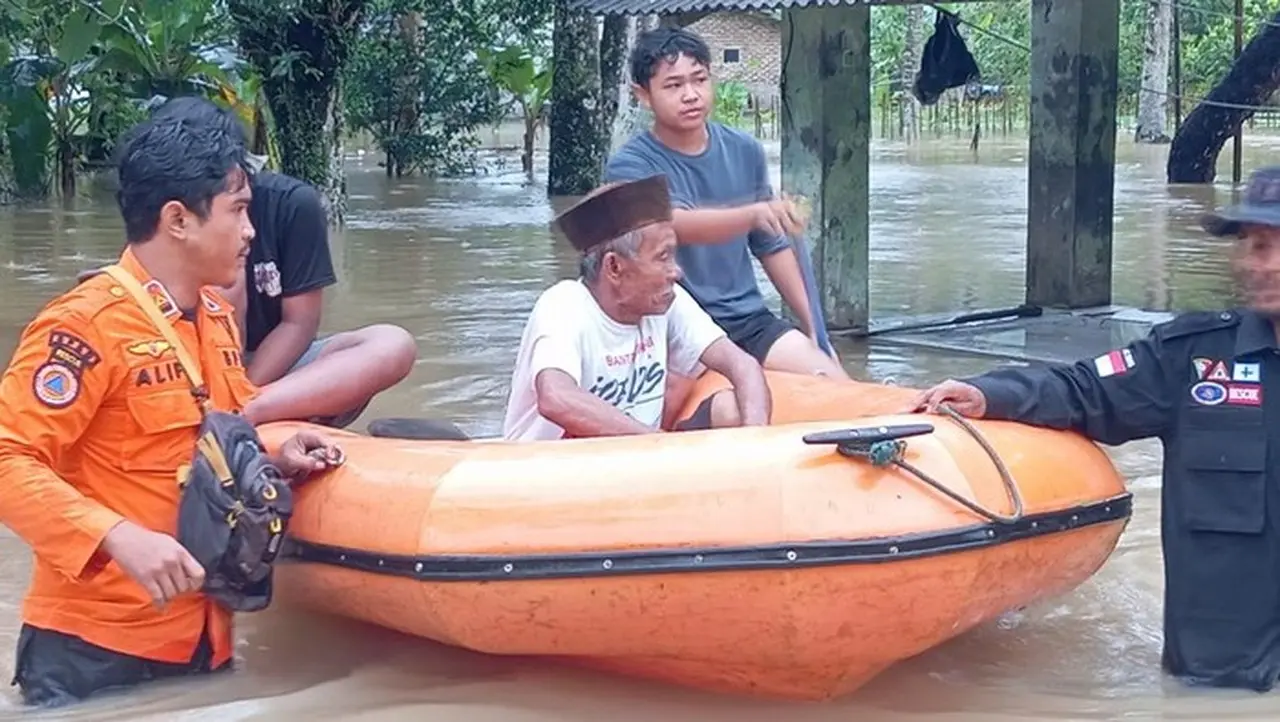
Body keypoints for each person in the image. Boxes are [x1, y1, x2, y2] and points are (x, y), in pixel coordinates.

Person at [0, 105, 342, 708]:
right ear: (178, 219)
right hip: (91, 655)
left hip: (203, 642)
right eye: (238, 211)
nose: (251, 232)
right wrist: (117, 536)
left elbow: (206, 445)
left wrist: (275, 456)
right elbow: (8, 459)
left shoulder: (212, 320)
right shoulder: (84, 326)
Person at [909, 165, 1280, 693]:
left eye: (1271, 246)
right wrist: (992, 394)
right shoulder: (1191, 360)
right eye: (1250, 245)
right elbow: (1084, 389)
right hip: (1218, 679)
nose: (1254, 263)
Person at [149, 96, 418, 429]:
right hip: (185, 367)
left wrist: (243, 393)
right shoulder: (163, 211)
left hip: (271, 373)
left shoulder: (292, 204)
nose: (245, 228)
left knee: (391, 344)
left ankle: (240, 415)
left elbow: (299, 323)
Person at [603, 26, 848, 380]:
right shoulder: (629, 166)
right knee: (729, 402)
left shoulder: (744, 149)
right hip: (673, 323)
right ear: (643, 95)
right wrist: (754, 214)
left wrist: (815, 332)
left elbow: (772, 246)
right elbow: (671, 224)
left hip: (747, 319)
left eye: (699, 80)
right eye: (673, 86)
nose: (690, 95)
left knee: (832, 379)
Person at [502, 174, 772, 441]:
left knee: (731, 409)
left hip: (640, 458)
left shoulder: (667, 301)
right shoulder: (564, 306)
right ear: (614, 268)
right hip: (554, 469)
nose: (676, 272)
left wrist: (756, 440)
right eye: (662, 257)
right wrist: (656, 442)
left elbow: (742, 364)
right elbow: (556, 398)